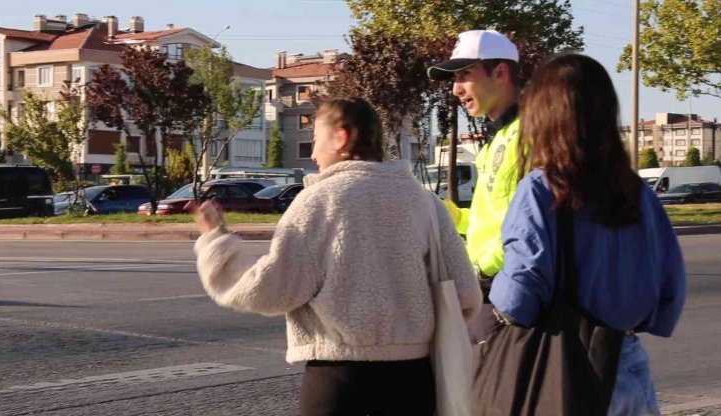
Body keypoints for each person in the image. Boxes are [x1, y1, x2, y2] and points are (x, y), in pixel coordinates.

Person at [193, 97, 482, 415]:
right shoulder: (425, 203)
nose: (314, 154)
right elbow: (465, 292)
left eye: (316, 140)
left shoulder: (318, 201)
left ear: (341, 137)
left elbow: (270, 290)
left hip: (339, 382)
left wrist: (215, 242)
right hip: (412, 382)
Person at [490, 53, 686, 415]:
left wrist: (490, 303)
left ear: (543, 115)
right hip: (628, 365)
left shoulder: (541, 189)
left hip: (568, 371)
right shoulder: (637, 192)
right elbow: (671, 288)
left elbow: (521, 292)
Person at [427, 29, 522, 341]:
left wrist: (485, 268)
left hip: (503, 289)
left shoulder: (528, 133)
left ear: (500, 72)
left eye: (465, 75)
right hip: (489, 287)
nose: (455, 89)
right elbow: (495, 216)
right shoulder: (498, 137)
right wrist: (452, 216)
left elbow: (533, 225)